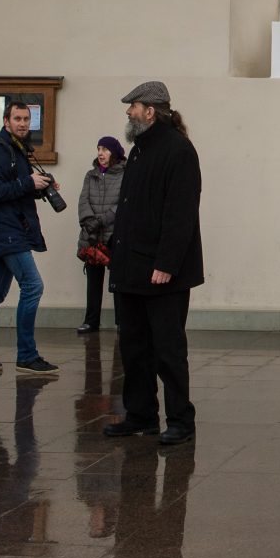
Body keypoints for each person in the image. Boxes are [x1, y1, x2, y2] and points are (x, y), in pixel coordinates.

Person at [103, 82, 203, 446]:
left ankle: (180, 420)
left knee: (168, 350)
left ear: (151, 111)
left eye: (134, 105)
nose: (129, 112)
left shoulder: (178, 149)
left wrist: (166, 263)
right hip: (130, 268)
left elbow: (180, 213)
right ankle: (141, 415)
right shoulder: (140, 149)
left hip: (162, 273)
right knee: (133, 347)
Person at [0, 100, 61, 375]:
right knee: (33, 286)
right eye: (17, 119)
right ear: (6, 122)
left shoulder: (16, 150)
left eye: (26, 119)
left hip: (8, 230)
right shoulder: (0, 151)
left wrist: (39, 186)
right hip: (6, 232)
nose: (22, 123)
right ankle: (26, 355)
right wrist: (28, 183)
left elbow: (13, 188)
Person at [75, 136, 126, 334]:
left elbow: (122, 204)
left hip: (114, 235)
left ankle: (121, 321)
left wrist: (101, 220)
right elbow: (83, 201)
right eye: (98, 148)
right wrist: (90, 222)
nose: (100, 153)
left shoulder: (124, 174)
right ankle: (91, 320)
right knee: (93, 281)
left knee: (118, 282)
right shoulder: (91, 175)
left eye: (105, 149)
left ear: (114, 152)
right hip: (92, 235)